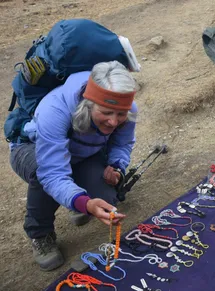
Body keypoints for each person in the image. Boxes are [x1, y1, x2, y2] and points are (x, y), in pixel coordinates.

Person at [9, 61, 135, 271]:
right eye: (106, 112)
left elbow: (122, 143)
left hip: (82, 152)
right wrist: (84, 203)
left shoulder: (127, 107)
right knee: (42, 176)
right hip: (32, 149)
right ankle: (40, 234)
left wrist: (117, 168)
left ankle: (76, 198)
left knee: (107, 196)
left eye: (120, 114)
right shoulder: (54, 111)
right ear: (89, 103)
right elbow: (52, 173)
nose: (114, 122)